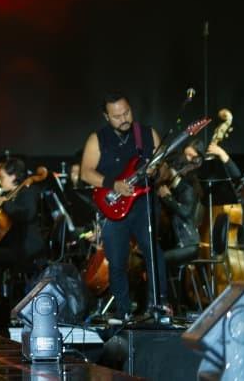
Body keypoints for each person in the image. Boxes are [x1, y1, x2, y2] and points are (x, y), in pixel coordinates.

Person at [80, 93, 169, 323]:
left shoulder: (147, 134)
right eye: (117, 116)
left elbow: (166, 169)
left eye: (126, 112)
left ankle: (158, 306)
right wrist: (113, 184)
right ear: (106, 117)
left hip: (142, 203)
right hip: (113, 205)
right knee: (117, 260)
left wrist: (157, 172)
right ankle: (123, 312)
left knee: (153, 253)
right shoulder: (97, 139)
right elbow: (86, 172)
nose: (123, 119)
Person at [0, 158, 45, 331]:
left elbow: (27, 214)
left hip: (28, 248)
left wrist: (6, 205)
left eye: (3, 178)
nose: (0, 182)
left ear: (14, 176)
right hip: (17, 245)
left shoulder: (27, 192)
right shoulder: (14, 194)